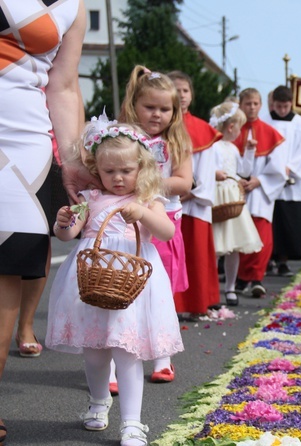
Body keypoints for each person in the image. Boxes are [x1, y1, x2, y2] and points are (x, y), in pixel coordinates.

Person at [46, 120, 184, 446]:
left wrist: (144, 213)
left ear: (142, 168)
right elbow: (69, 233)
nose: (118, 178)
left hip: (134, 284)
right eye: (109, 171)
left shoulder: (149, 197)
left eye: (126, 170)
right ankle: (98, 401)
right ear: (97, 170)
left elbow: (166, 232)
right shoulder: (89, 197)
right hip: (93, 280)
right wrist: (63, 223)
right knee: (95, 352)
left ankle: (132, 423)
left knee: (127, 351)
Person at [0, 0, 88, 441]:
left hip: (26, 151)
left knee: (7, 271)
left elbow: (65, 86)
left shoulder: (74, 6)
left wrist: (71, 160)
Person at [117, 65, 193, 383]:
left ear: (175, 112)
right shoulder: (122, 138)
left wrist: (148, 184)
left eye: (165, 109)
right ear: (134, 104)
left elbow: (184, 182)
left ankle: (163, 356)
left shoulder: (176, 142)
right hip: (127, 226)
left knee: (160, 295)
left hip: (163, 225)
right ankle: (120, 357)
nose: (157, 114)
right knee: (125, 292)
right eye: (150, 107)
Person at [168, 71, 222, 318]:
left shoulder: (203, 129)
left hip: (194, 204)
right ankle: (169, 306)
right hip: (165, 202)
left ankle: (196, 304)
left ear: (192, 94)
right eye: (175, 90)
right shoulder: (161, 126)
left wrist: (186, 193)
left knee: (195, 255)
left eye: (185, 90)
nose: (181, 95)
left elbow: (207, 173)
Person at [232, 88, 288, 297]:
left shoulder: (271, 133)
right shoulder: (233, 131)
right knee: (239, 233)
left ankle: (256, 278)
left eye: (255, 104)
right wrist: (237, 180)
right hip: (238, 190)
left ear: (261, 105)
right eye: (248, 104)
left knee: (261, 235)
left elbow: (279, 167)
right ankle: (240, 277)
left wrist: (259, 181)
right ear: (241, 105)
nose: (252, 108)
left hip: (261, 192)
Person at [209, 101, 263, 306]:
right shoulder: (213, 146)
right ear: (231, 127)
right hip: (218, 196)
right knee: (216, 244)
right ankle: (212, 288)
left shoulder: (232, 148)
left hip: (232, 197)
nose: (240, 132)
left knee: (234, 246)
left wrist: (249, 152)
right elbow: (205, 168)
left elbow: (244, 170)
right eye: (239, 127)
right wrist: (215, 173)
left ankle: (230, 288)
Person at [268, 86, 301, 276]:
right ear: (273, 104)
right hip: (269, 178)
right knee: (271, 222)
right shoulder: (266, 120)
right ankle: (268, 259)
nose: (283, 110)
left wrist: (290, 168)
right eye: (279, 106)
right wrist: (275, 169)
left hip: (292, 180)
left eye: (286, 106)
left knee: (288, 222)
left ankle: (284, 262)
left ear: (291, 104)